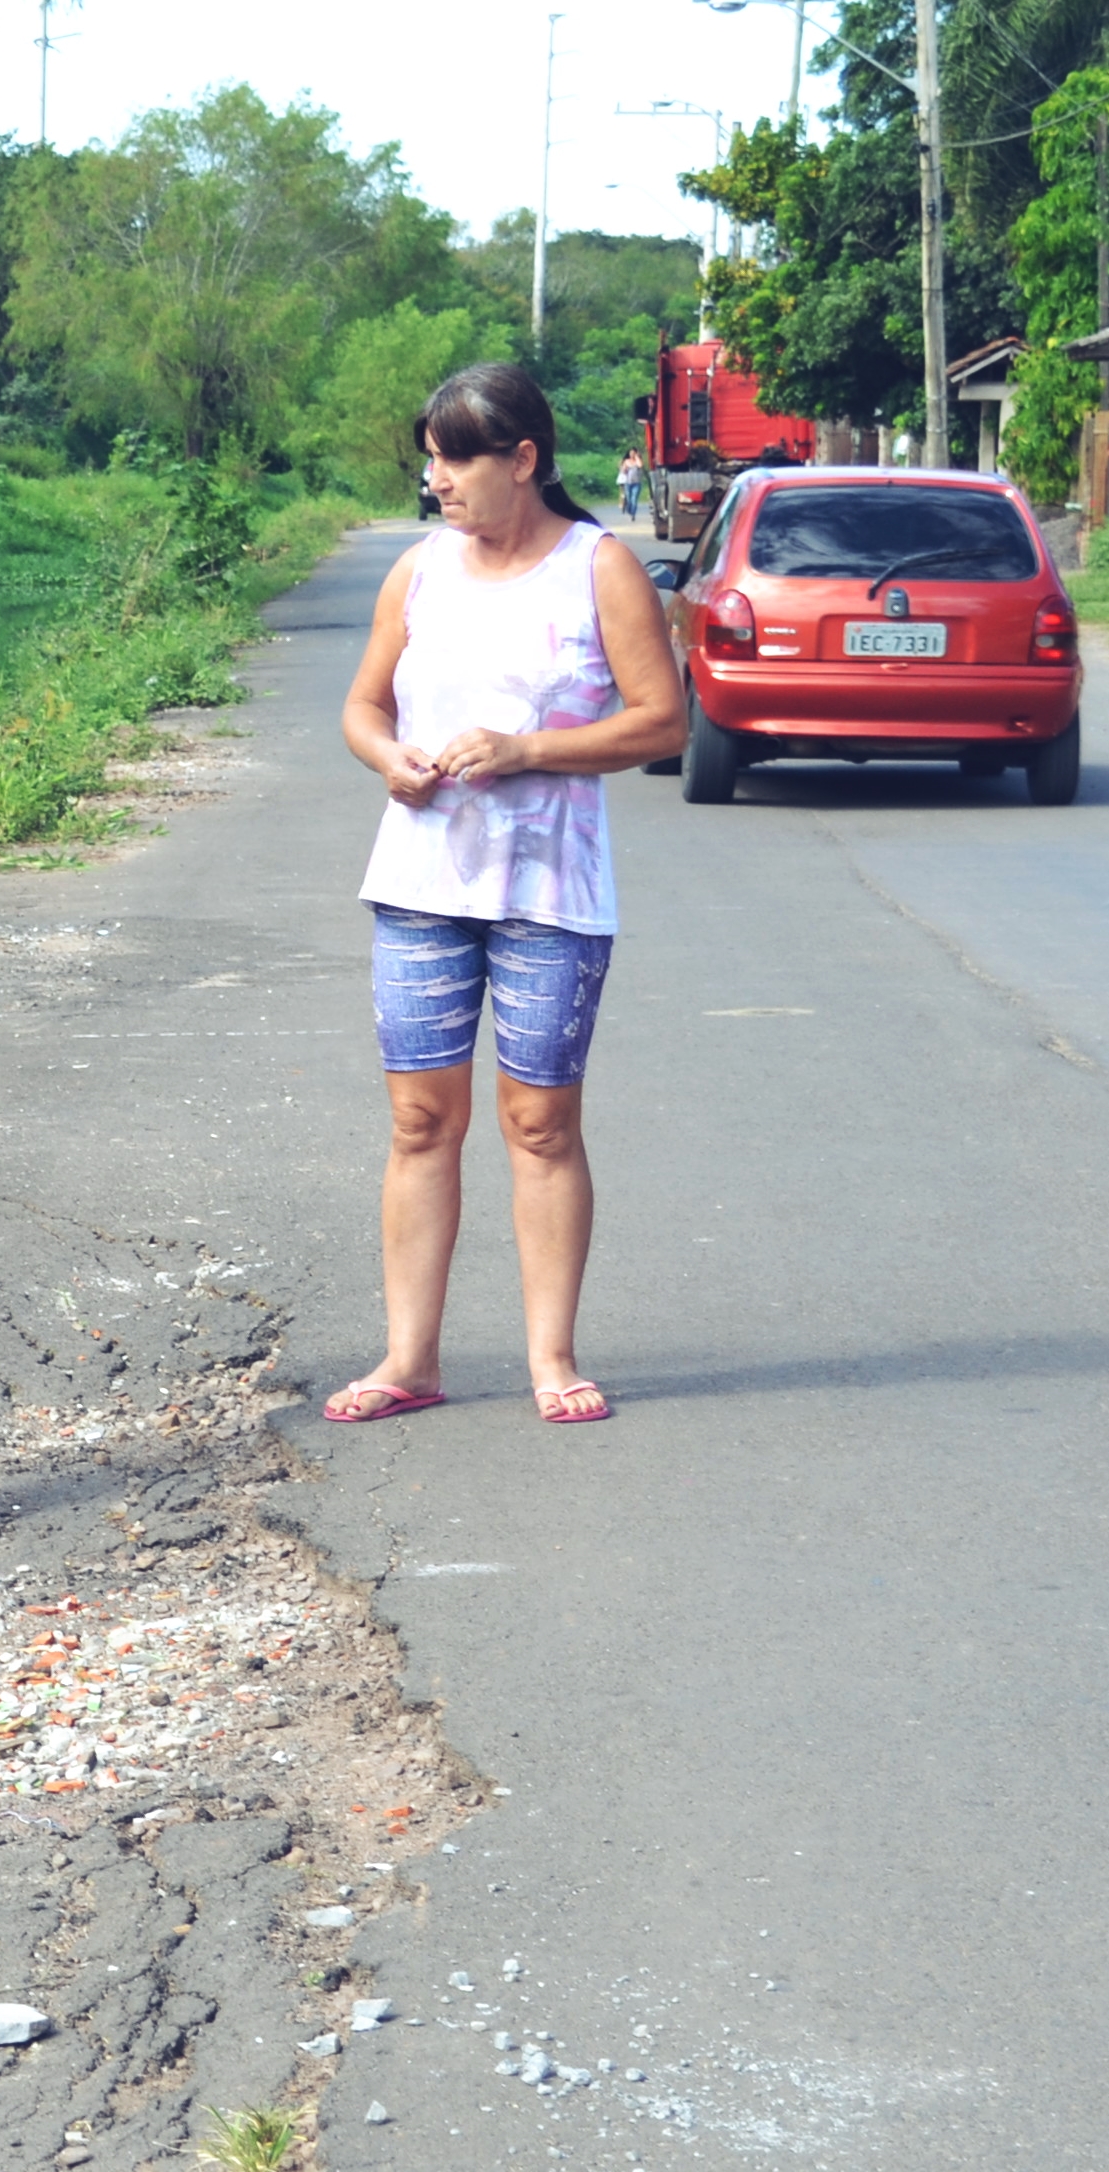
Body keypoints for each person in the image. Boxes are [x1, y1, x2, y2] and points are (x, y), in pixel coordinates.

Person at [329, 361, 687, 1429]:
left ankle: (551, 1357)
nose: (435, 480)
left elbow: (663, 722)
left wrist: (529, 748)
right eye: (430, 459)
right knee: (418, 1120)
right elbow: (361, 707)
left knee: (539, 1125)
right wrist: (388, 758)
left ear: (523, 460)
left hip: (550, 892)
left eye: (455, 459)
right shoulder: (419, 574)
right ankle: (410, 1358)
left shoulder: (600, 568)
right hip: (422, 883)